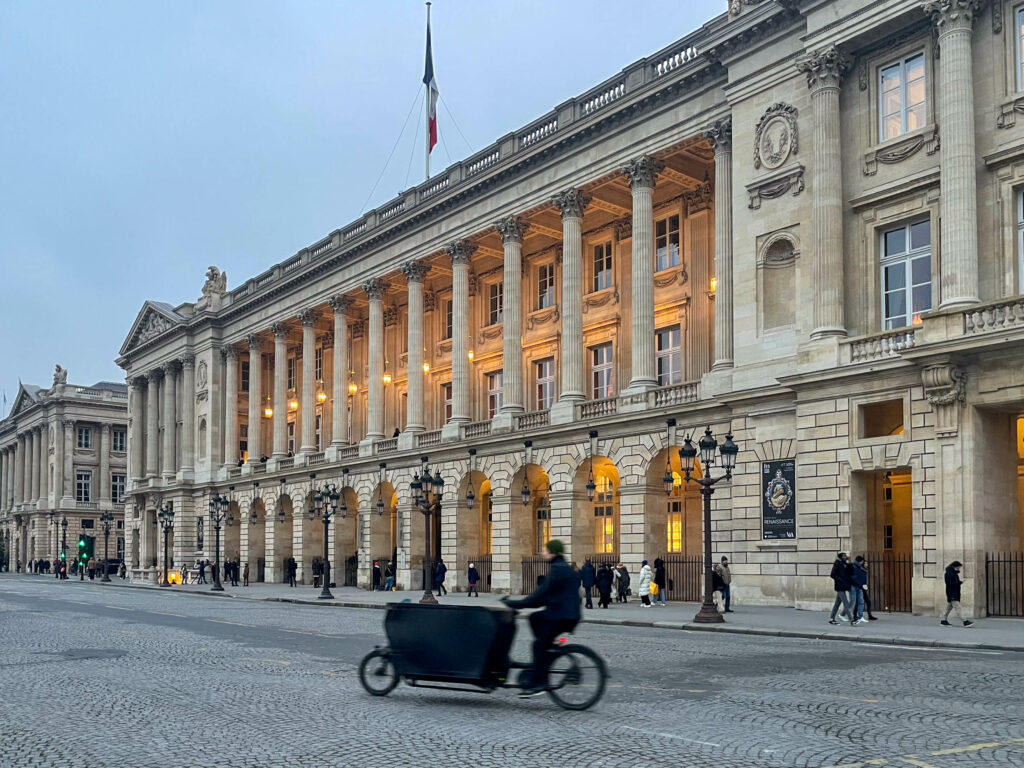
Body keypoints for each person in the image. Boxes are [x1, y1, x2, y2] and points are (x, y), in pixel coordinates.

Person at [504, 539, 581, 696]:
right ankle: (547, 652)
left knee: (538, 645)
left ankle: (539, 682)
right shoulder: (563, 568)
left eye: (545, 550)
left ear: (553, 552)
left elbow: (539, 596)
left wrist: (515, 604)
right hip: (566, 614)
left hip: (561, 616)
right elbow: (544, 597)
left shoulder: (557, 570)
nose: (543, 553)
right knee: (535, 618)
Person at [941, 560, 973, 627]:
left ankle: (943, 620)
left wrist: (959, 582)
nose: (958, 569)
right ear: (954, 567)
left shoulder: (953, 573)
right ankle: (965, 621)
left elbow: (954, 582)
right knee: (958, 607)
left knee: (948, 608)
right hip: (952, 593)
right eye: (958, 568)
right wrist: (958, 583)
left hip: (954, 592)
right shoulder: (949, 574)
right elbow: (949, 583)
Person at [828, 552, 852, 625]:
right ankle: (852, 619)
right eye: (844, 556)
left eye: (846, 556)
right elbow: (832, 574)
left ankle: (832, 618)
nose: (846, 557)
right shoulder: (837, 564)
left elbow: (850, 570)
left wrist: (849, 561)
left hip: (843, 586)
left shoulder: (844, 564)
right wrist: (840, 579)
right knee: (846, 603)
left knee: (837, 603)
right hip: (839, 586)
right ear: (841, 557)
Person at [850, 555, 868, 625]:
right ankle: (853, 617)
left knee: (860, 601)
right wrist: (861, 584)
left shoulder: (859, 567)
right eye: (863, 561)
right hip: (855, 586)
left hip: (859, 586)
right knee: (854, 602)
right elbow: (854, 577)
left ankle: (859, 616)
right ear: (861, 561)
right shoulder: (854, 567)